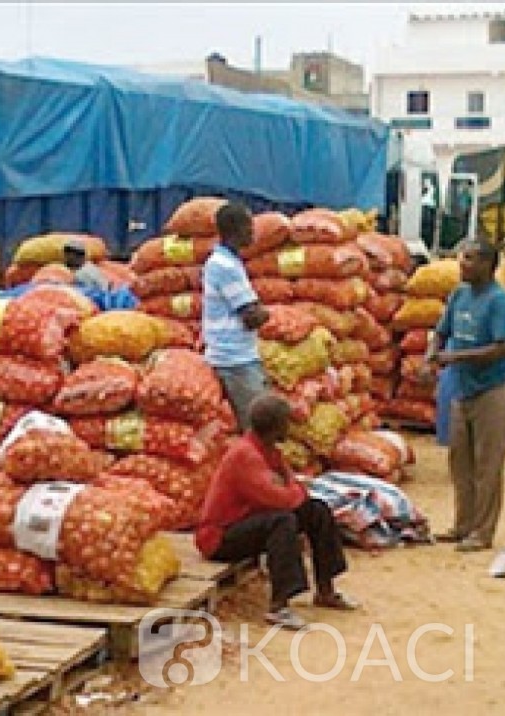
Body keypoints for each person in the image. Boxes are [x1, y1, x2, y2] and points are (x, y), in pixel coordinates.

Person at [197, 393, 356, 629]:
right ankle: (279, 605)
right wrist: (292, 489)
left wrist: (292, 489)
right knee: (282, 521)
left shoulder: (270, 451)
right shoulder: (245, 455)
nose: (290, 428)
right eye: (286, 423)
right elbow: (281, 498)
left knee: (317, 511)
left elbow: (291, 486)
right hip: (219, 537)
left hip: (247, 520)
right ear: (275, 427)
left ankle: (326, 588)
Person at [429, 240, 505, 552]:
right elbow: (442, 331)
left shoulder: (499, 301)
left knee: (487, 462)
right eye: (461, 258)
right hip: (462, 387)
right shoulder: (459, 295)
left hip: (491, 389)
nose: (462, 265)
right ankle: (462, 524)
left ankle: (482, 531)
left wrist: (456, 358)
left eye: (469, 259)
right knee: (460, 460)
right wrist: (434, 351)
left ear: (487, 265)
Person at [202, 202, 270, 431]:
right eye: (248, 227)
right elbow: (251, 316)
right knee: (259, 426)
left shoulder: (227, 261)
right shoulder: (225, 266)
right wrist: (266, 313)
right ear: (234, 229)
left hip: (234, 354)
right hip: (234, 359)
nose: (253, 232)